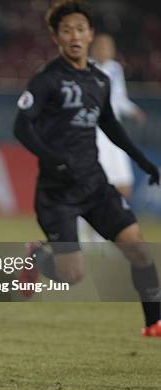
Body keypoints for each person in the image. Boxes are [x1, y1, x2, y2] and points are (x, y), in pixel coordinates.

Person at [14, 0, 161, 336]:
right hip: (57, 192)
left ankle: (154, 322)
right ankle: (37, 259)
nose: (75, 35)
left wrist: (142, 161)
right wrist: (52, 159)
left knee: (138, 249)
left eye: (80, 29)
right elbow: (22, 127)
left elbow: (111, 126)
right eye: (67, 30)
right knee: (72, 274)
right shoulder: (47, 79)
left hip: (95, 185)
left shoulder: (99, 79)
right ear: (56, 37)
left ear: (90, 34)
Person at [77, 33, 146, 242]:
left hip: (113, 134)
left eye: (109, 46)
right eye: (101, 46)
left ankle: (100, 233)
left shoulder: (116, 69)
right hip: (93, 133)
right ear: (93, 48)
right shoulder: (83, 66)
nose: (104, 50)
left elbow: (120, 99)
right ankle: (81, 231)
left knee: (124, 186)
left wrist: (133, 111)